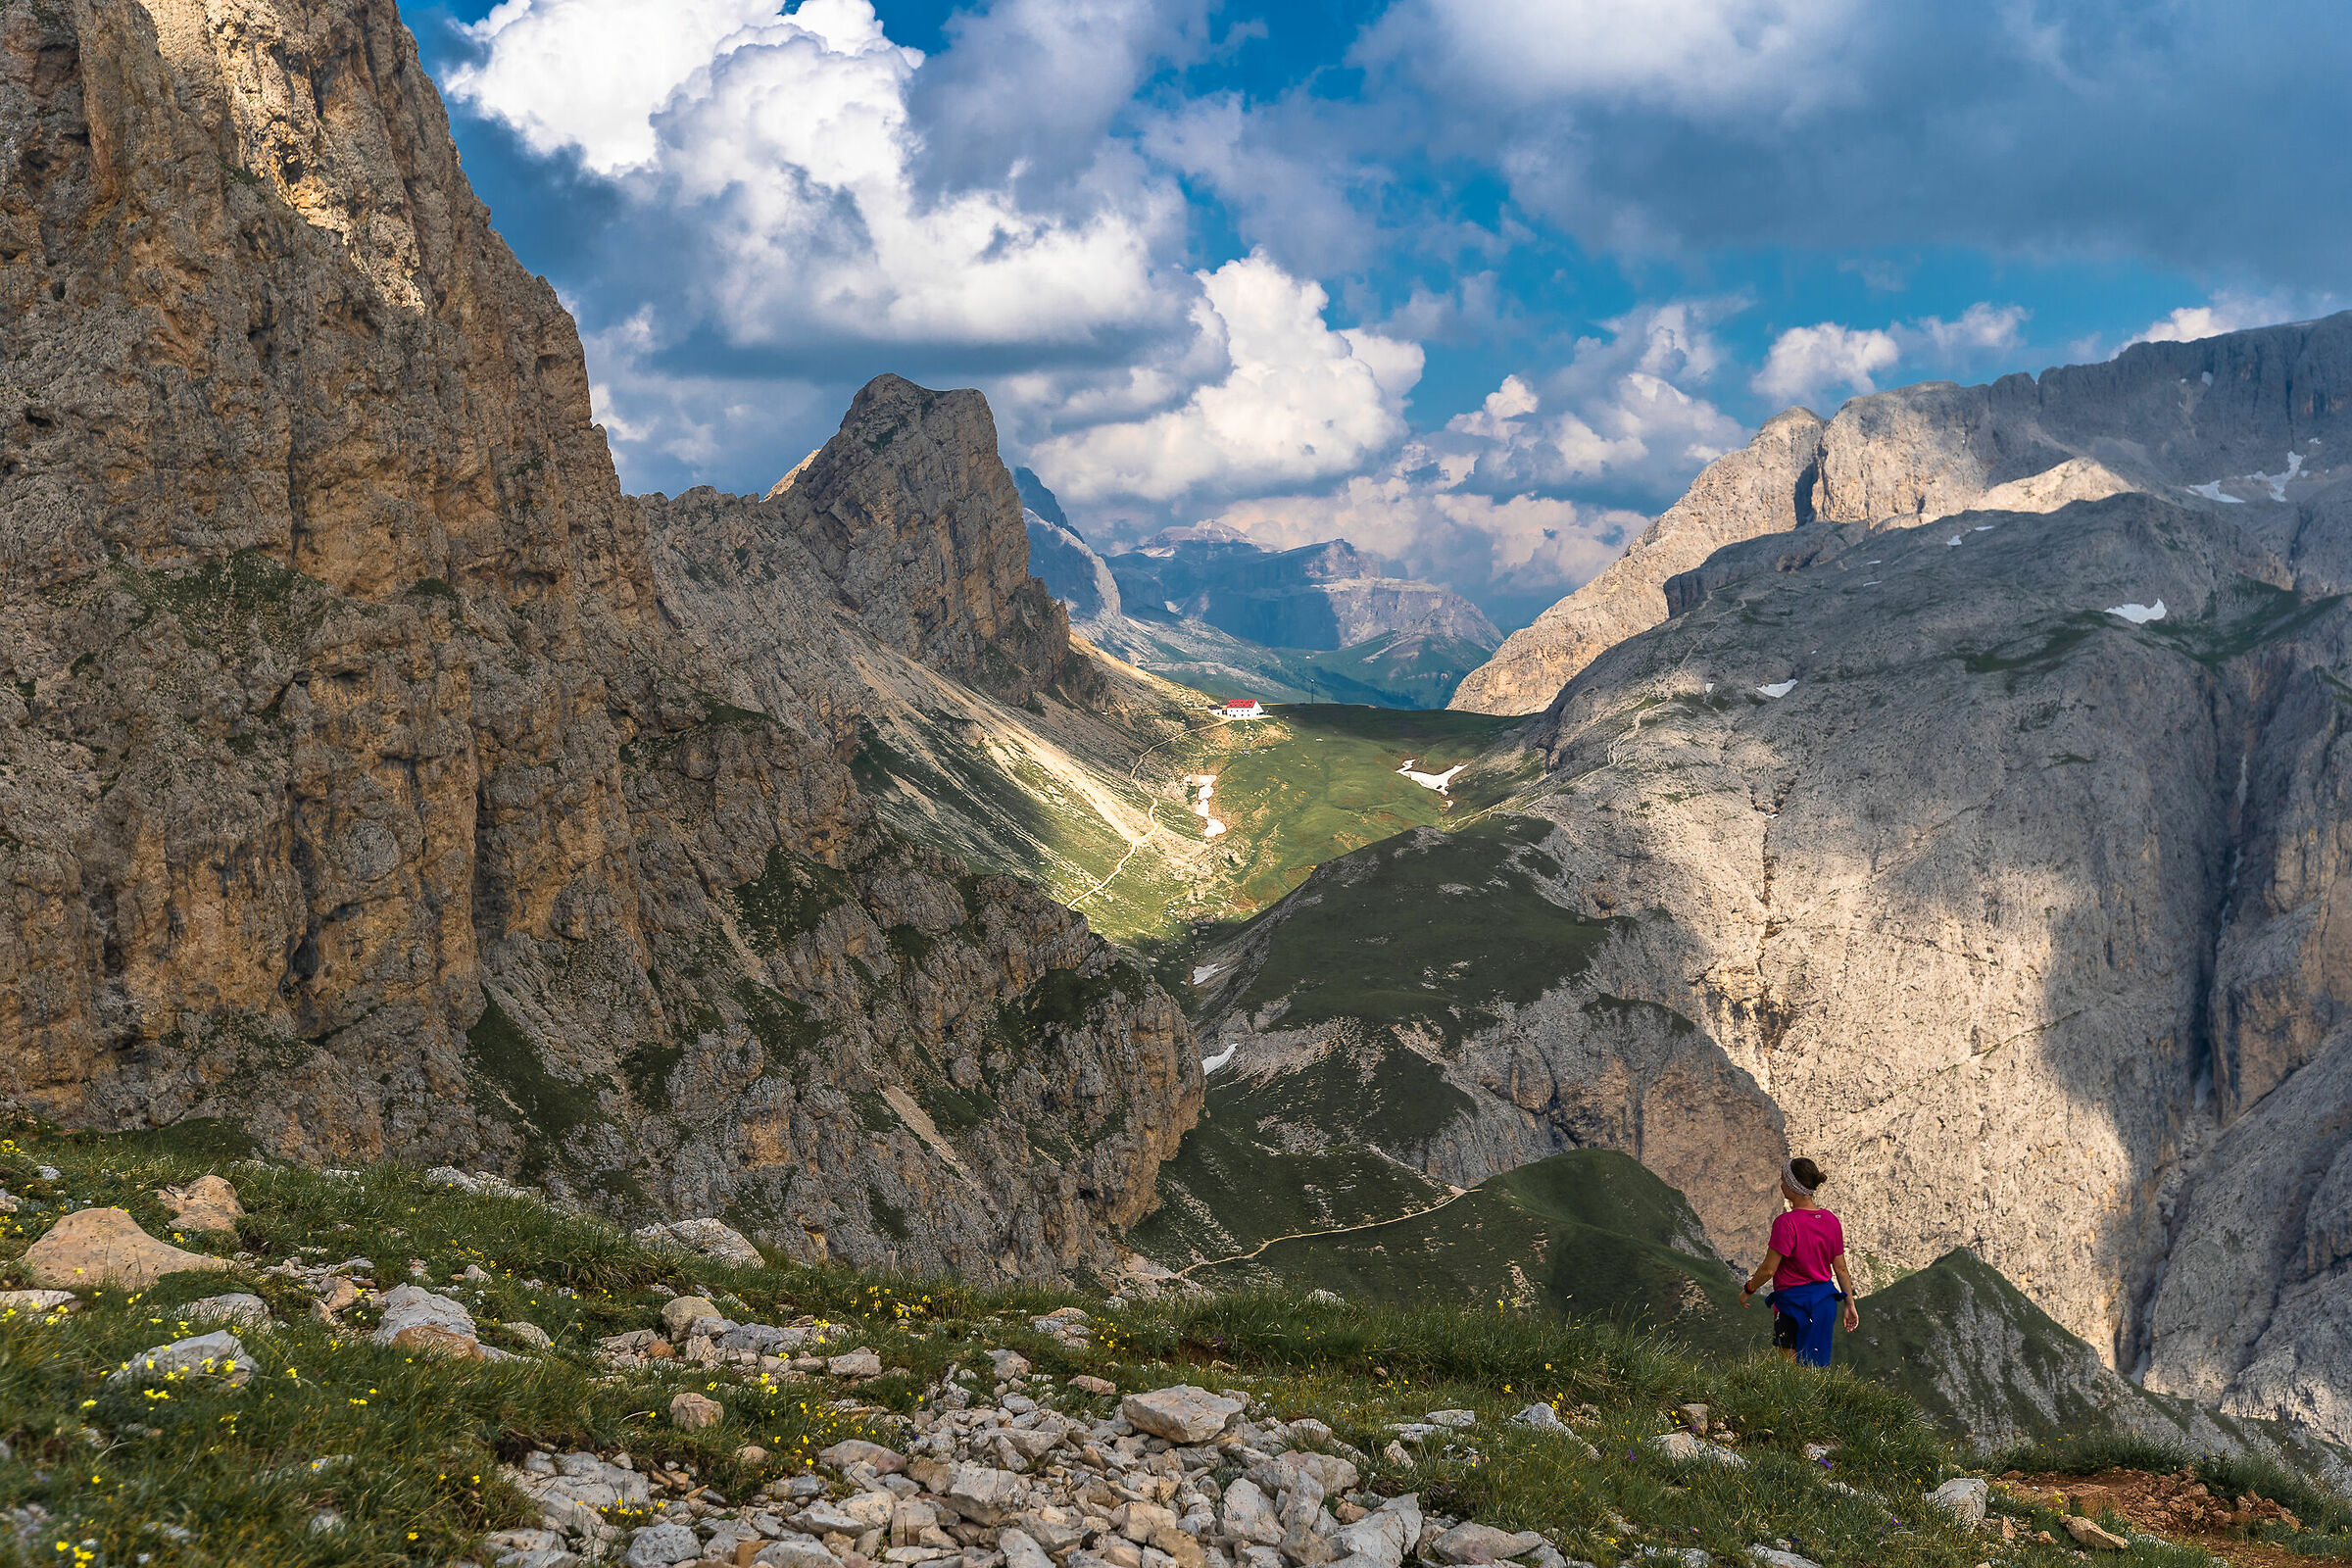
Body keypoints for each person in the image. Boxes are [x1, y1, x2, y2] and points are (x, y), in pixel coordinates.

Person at [1738, 1156, 1859, 1366]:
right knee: (1816, 1368)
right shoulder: (1831, 1220)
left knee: (1790, 1372)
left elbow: (1768, 1270)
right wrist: (1850, 1303)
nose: (1781, 1183)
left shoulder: (1786, 1223)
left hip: (1792, 1305)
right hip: (1824, 1303)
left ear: (1793, 1186)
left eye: (1784, 1180)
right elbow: (1841, 1269)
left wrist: (1748, 1289)